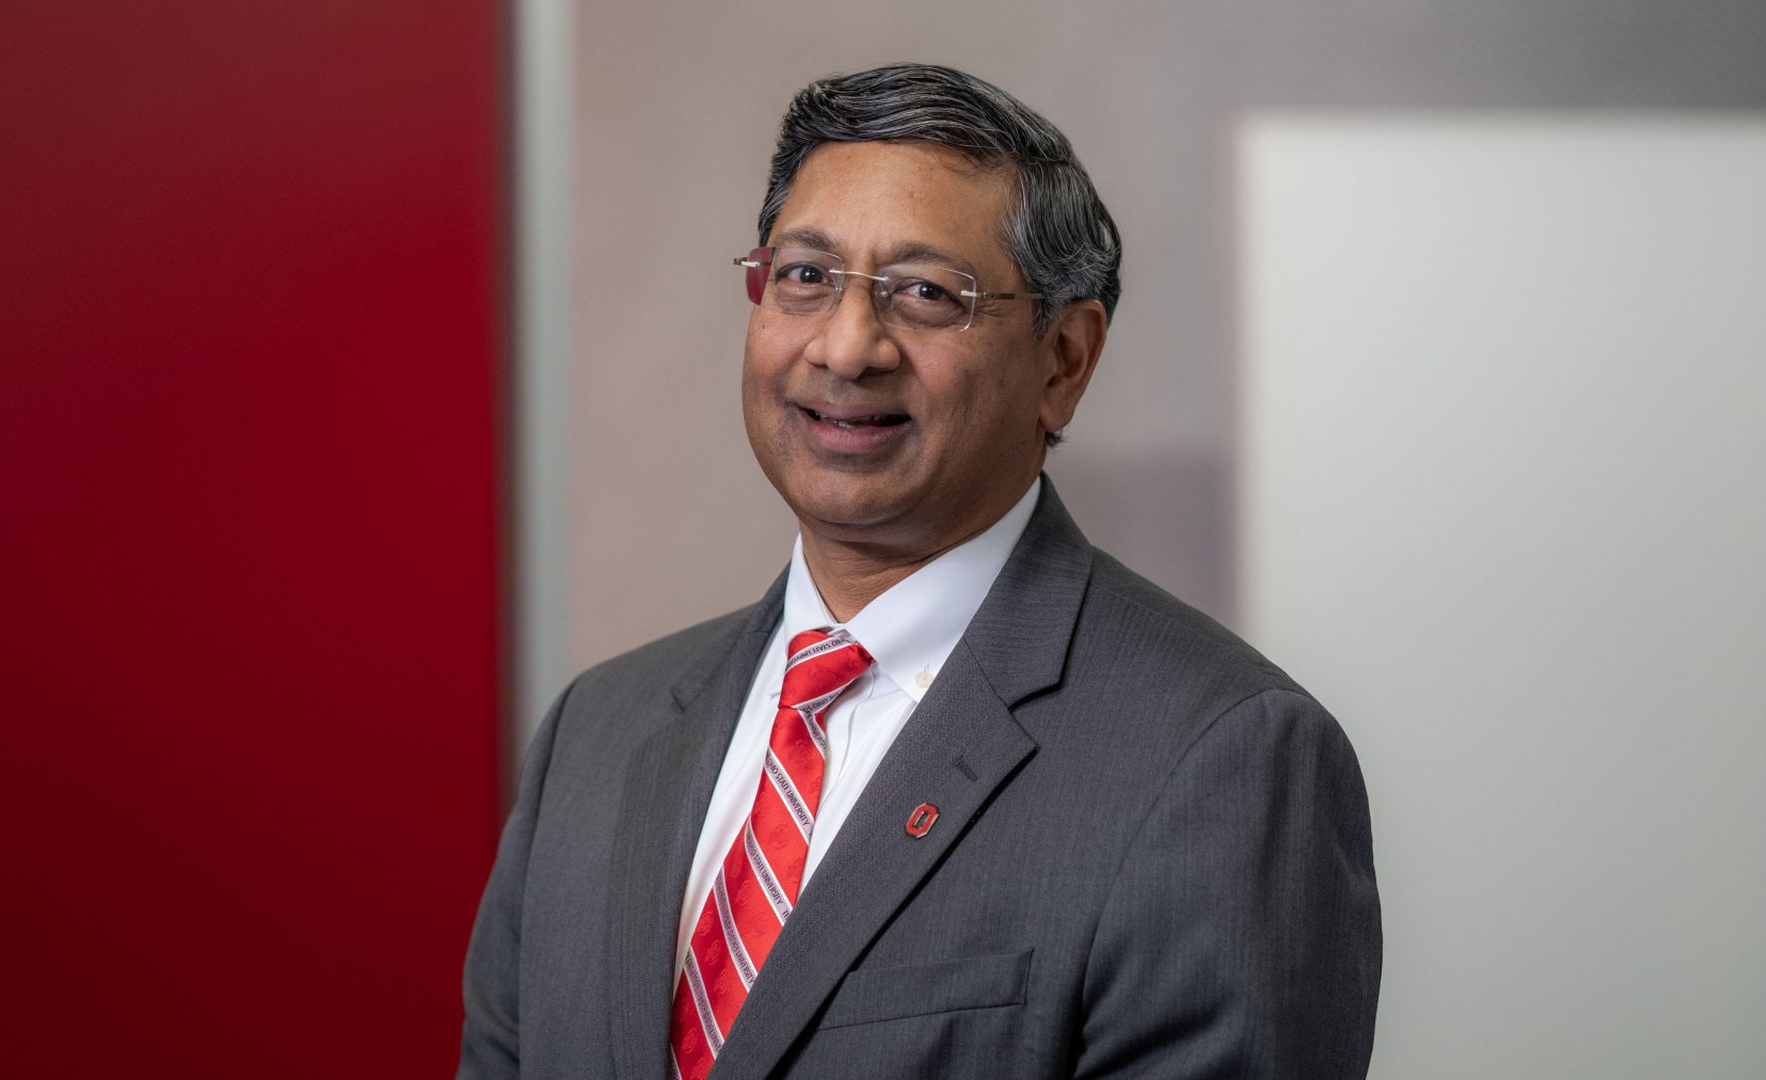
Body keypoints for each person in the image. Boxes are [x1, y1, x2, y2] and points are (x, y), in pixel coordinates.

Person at [457, 62, 1380, 1080]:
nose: (847, 348)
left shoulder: (1225, 761)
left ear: (1064, 361)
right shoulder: (600, 732)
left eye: (927, 294)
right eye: (806, 276)